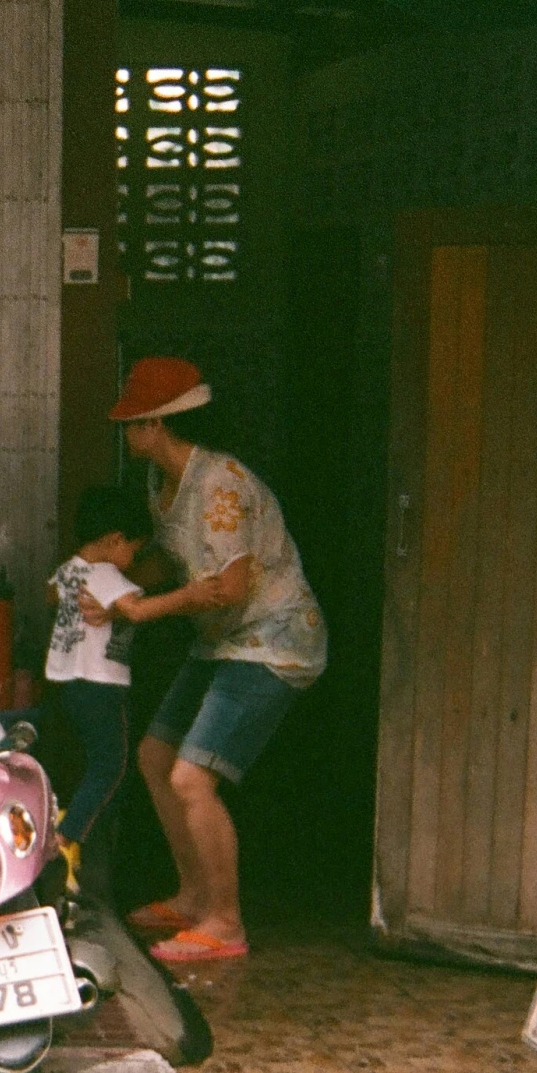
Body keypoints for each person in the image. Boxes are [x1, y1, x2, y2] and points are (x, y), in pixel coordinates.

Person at [86, 356, 326, 964]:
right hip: (221, 640)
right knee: (154, 755)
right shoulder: (159, 484)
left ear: (158, 425)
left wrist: (147, 609)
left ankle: (225, 922)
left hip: (271, 640)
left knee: (194, 778)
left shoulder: (220, 485)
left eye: (132, 423)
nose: (127, 434)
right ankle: (193, 898)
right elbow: (174, 561)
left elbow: (231, 587)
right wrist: (107, 578)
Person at [44, 485, 150, 899]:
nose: (134, 560)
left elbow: (51, 593)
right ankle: (65, 843)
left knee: (86, 763)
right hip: (101, 685)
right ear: (114, 540)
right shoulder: (106, 575)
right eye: (134, 549)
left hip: (68, 682)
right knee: (111, 765)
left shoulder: (70, 569)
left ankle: (68, 833)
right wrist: (192, 595)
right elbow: (139, 609)